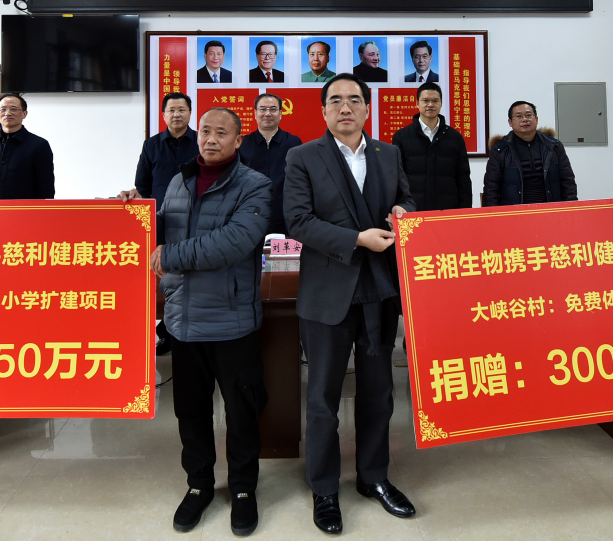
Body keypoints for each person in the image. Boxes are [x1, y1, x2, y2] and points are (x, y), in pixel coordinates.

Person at [284, 74, 416, 535]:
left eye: (354, 100)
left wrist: (403, 213)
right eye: (336, 100)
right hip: (327, 293)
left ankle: (373, 476)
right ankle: (323, 488)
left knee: (379, 393)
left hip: (379, 291)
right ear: (323, 110)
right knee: (322, 397)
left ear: (367, 108)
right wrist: (356, 239)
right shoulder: (303, 156)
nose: (346, 107)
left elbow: (405, 199)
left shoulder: (388, 153)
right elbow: (297, 221)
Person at [150, 107, 272, 537]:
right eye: (205, 131)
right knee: (190, 411)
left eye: (222, 132)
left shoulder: (255, 185)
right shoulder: (178, 181)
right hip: (183, 320)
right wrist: (129, 213)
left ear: (238, 140)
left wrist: (170, 257)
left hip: (231, 320)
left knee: (241, 411)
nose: (211, 139)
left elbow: (234, 242)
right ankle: (199, 484)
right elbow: (162, 229)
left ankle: (243, 488)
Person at [121, 92, 199, 356]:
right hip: (162, 221)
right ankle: (166, 331)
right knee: (164, 277)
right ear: (164, 114)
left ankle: (190, 330)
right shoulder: (151, 145)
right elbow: (142, 184)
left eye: (182, 109)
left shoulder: (201, 142)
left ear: (190, 113)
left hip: (194, 220)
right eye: (171, 110)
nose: (177, 114)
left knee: (191, 274)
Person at [392, 82, 472, 211]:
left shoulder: (454, 137)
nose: (430, 104)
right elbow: (396, 177)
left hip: (447, 209)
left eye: (435, 101)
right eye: (425, 100)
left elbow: (463, 178)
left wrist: (465, 211)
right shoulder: (402, 136)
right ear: (417, 103)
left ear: (441, 104)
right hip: (412, 209)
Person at [483, 100, 577, 206]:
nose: (525, 119)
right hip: (514, 211)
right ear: (510, 122)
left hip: (550, 209)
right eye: (519, 116)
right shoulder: (500, 150)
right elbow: (491, 187)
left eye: (528, 115)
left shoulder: (554, 146)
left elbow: (568, 181)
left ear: (536, 119)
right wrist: (493, 213)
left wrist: (571, 208)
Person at [0, 93, 55, 200]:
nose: (7, 113)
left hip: (21, 208)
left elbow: (45, 187)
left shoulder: (39, 145)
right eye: (3, 109)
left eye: (14, 109)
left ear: (24, 114)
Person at [239, 93, 302, 236]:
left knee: (282, 250)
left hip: (285, 216)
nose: (267, 113)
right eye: (262, 109)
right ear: (255, 113)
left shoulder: (293, 142)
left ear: (280, 113)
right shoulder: (243, 143)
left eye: (273, 109)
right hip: (250, 216)